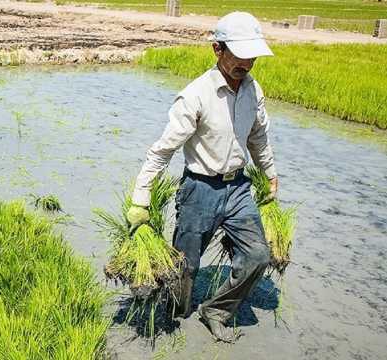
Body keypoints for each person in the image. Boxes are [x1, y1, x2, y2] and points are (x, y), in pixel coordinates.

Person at [127, 12, 278, 343]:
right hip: (199, 190)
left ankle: (216, 310)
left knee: (257, 257)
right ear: (217, 49)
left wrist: (270, 174)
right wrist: (141, 199)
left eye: (251, 55)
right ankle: (172, 315)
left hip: (238, 188)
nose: (247, 63)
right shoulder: (195, 95)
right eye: (239, 54)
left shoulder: (254, 91)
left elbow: (258, 138)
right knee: (186, 268)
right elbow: (162, 151)